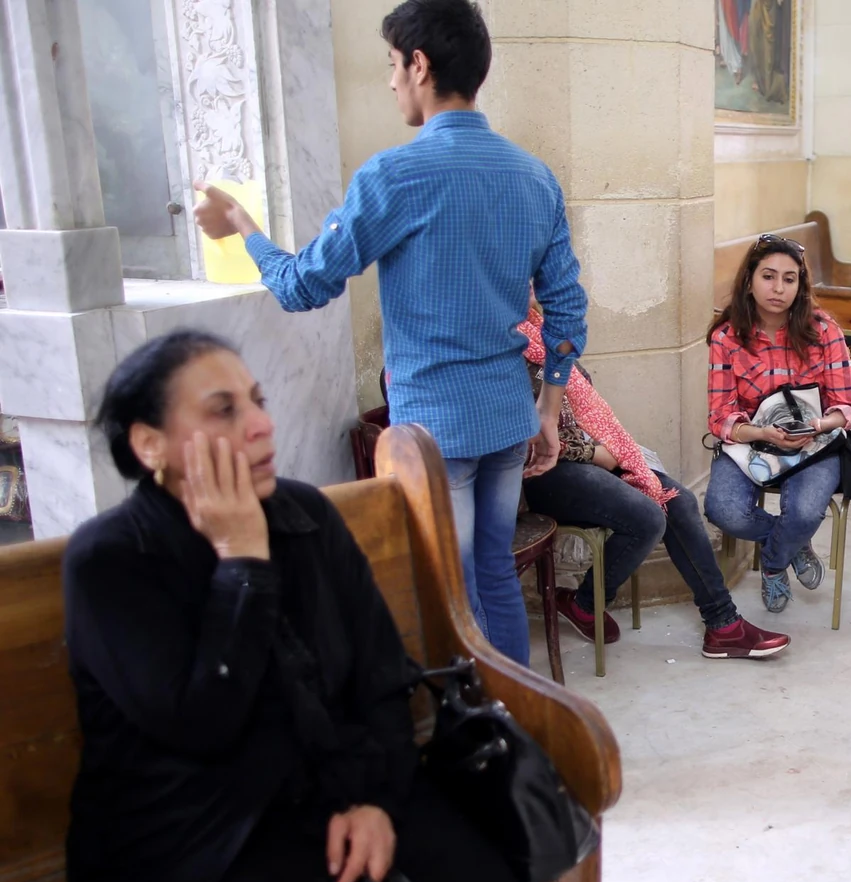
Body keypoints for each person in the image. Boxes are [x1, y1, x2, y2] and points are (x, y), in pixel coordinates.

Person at [63, 331, 522, 882]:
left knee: (471, 875)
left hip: (325, 784)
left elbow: (381, 677)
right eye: (222, 411)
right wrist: (241, 563)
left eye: (258, 401)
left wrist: (373, 802)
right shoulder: (112, 560)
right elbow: (200, 725)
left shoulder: (306, 516)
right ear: (150, 445)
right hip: (190, 830)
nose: (260, 425)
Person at [192, 0, 587, 671]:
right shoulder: (534, 177)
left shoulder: (394, 176)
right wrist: (548, 408)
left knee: (449, 588)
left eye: (392, 65)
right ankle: (520, 714)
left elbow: (301, 285)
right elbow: (567, 312)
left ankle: (478, 717)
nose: (390, 81)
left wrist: (245, 228)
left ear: (419, 65)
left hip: (433, 426)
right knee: (493, 572)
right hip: (505, 415)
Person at [519, 307, 790, 661]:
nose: (528, 283)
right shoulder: (500, 344)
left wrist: (612, 450)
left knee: (680, 502)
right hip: (544, 470)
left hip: (595, 452)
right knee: (647, 517)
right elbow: (519, 437)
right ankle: (585, 604)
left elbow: (588, 411)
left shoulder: (545, 330)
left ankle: (724, 626)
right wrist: (596, 453)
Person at [704, 233, 851, 614]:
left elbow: (849, 407)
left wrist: (817, 425)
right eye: (768, 276)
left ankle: (774, 563)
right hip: (752, 442)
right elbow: (720, 416)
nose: (778, 288)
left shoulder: (824, 330)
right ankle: (792, 541)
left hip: (813, 443)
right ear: (749, 281)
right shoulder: (727, 337)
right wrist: (760, 432)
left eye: (789, 279)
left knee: (805, 512)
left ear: (800, 285)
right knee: (721, 510)